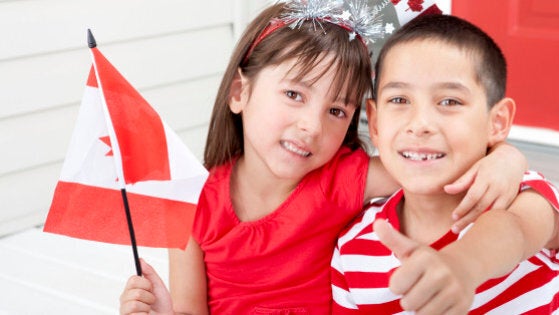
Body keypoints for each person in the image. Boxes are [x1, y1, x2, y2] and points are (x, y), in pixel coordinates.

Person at [119, 2, 534, 314]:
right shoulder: (191, 202)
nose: (311, 126)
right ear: (239, 93)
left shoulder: (344, 179)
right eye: (294, 95)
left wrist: (505, 157)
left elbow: (434, 164)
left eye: (336, 110)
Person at [331, 13, 559, 314]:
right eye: (399, 100)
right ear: (374, 123)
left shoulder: (524, 195)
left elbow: (514, 230)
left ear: (497, 122)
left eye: (449, 102)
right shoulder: (352, 247)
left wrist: (463, 264)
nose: (420, 124)